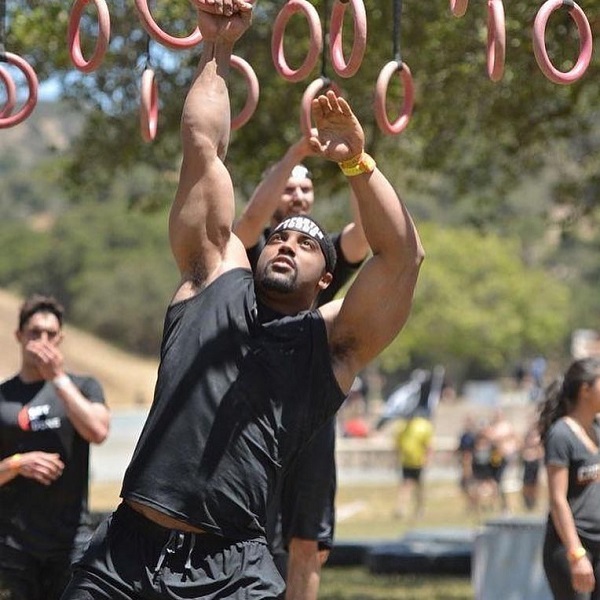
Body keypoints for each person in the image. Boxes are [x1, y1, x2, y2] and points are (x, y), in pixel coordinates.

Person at [61, 2, 424, 598]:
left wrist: (357, 162)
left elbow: (403, 258)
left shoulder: (329, 346)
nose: (286, 243)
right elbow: (203, 145)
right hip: (123, 553)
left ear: (326, 278)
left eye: (305, 243)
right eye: (278, 236)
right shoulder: (211, 280)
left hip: (231, 568)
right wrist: (217, 49)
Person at [234, 134, 369, 599]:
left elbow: (366, 232)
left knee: (308, 538)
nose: (298, 195)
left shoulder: (321, 257)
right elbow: (248, 222)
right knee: (251, 531)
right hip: (254, 412)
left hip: (311, 414)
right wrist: (293, 154)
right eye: (289, 187)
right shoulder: (256, 255)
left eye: (306, 188)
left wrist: (353, 159)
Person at [0, 294, 110, 600]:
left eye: (50, 334)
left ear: (60, 338)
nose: (42, 341)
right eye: (34, 333)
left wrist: (57, 378)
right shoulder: (3, 397)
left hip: (71, 544)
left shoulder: (84, 388)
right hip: (12, 549)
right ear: (19, 336)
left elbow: (98, 431)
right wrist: (18, 463)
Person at [539, 357, 600, 598]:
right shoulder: (561, 435)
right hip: (571, 547)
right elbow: (557, 500)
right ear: (585, 389)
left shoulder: (596, 430)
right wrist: (576, 553)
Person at [393, 409, 434, 520]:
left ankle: (420, 509)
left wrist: (427, 459)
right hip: (406, 462)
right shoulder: (401, 428)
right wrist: (396, 459)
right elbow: (398, 445)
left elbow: (428, 445)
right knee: (406, 485)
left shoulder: (422, 427)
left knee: (419, 487)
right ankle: (401, 509)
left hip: (419, 462)